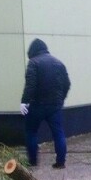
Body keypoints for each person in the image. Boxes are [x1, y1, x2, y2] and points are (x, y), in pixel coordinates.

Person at [20, 38, 71, 169]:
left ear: (32, 51)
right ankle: (61, 162)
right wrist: (61, 99)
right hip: (55, 105)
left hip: (37, 105)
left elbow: (30, 85)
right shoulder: (58, 63)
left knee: (31, 132)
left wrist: (24, 102)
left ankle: (32, 161)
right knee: (58, 133)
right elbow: (67, 84)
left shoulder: (33, 63)